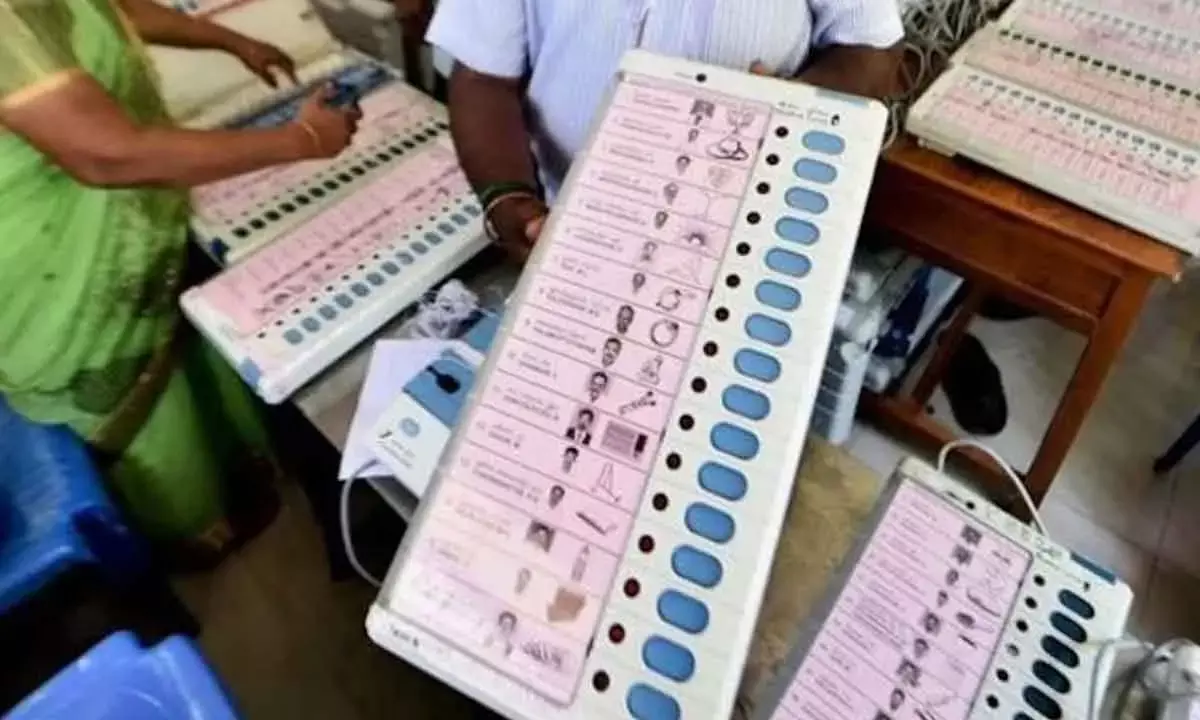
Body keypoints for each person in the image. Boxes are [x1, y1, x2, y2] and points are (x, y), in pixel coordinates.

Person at [0, 0, 361, 564]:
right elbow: (106, 154)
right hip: (50, 264)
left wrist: (224, 39)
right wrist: (302, 141)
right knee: (132, 412)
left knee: (190, 365)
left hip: (122, 231)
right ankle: (187, 535)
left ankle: (232, 487)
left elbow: (103, 11)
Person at [425, 0, 903, 254]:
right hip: (571, 222)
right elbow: (483, 75)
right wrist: (509, 201)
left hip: (743, 222)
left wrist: (787, 107)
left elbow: (870, 52)